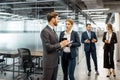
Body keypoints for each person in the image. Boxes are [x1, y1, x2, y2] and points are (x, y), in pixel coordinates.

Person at [41, 12, 69, 80]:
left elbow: (55, 45)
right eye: (57, 18)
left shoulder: (53, 30)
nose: (58, 20)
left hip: (55, 62)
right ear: (52, 19)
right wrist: (60, 44)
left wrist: (62, 45)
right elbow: (48, 47)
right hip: (49, 63)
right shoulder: (45, 31)